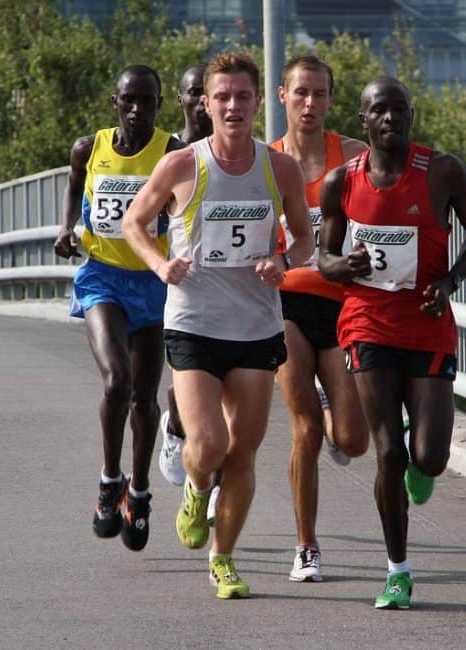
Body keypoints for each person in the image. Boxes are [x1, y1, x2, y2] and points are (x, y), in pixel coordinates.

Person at [123, 51, 314, 599]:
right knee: (208, 446)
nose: (233, 106)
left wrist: (285, 261)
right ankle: (194, 489)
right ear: (205, 105)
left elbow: (304, 237)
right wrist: (161, 265)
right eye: (222, 97)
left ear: (258, 103)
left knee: (243, 453)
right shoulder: (183, 164)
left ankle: (223, 559)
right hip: (194, 322)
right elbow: (136, 223)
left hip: (256, 325)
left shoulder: (278, 168)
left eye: (243, 97)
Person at [318, 75, 466, 609]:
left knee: (431, 458)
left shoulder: (441, 171)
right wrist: (343, 266)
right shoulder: (340, 182)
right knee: (388, 452)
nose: (390, 118)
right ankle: (397, 570)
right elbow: (322, 259)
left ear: (410, 115)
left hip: (427, 321)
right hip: (367, 322)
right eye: (379, 111)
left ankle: (424, 449)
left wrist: (450, 280)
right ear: (363, 120)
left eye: (399, 110)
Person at [53, 65, 185, 551]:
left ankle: (141, 490)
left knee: (145, 399)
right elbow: (73, 186)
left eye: (146, 101)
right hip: (102, 277)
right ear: (116, 102)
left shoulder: (171, 152)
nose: (137, 110)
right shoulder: (90, 148)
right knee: (117, 381)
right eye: (129, 100)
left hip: (151, 282)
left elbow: (192, 201)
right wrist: (66, 228)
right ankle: (110, 480)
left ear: (157, 105)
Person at [269, 54, 370, 583]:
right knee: (305, 429)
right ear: (282, 96)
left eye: (320, 94)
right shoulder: (264, 161)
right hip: (283, 304)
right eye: (300, 93)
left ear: (331, 100)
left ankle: (334, 405)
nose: (310, 104)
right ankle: (306, 546)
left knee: (352, 441)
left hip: (340, 305)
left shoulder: (353, 157)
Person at [157, 63, 213, 489]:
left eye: (205, 92)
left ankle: (213, 487)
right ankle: (174, 428)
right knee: (183, 381)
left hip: (220, 284)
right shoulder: (168, 152)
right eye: (192, 92)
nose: (200, 101)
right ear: (182, 99)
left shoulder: (235, 148)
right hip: (166, 279)